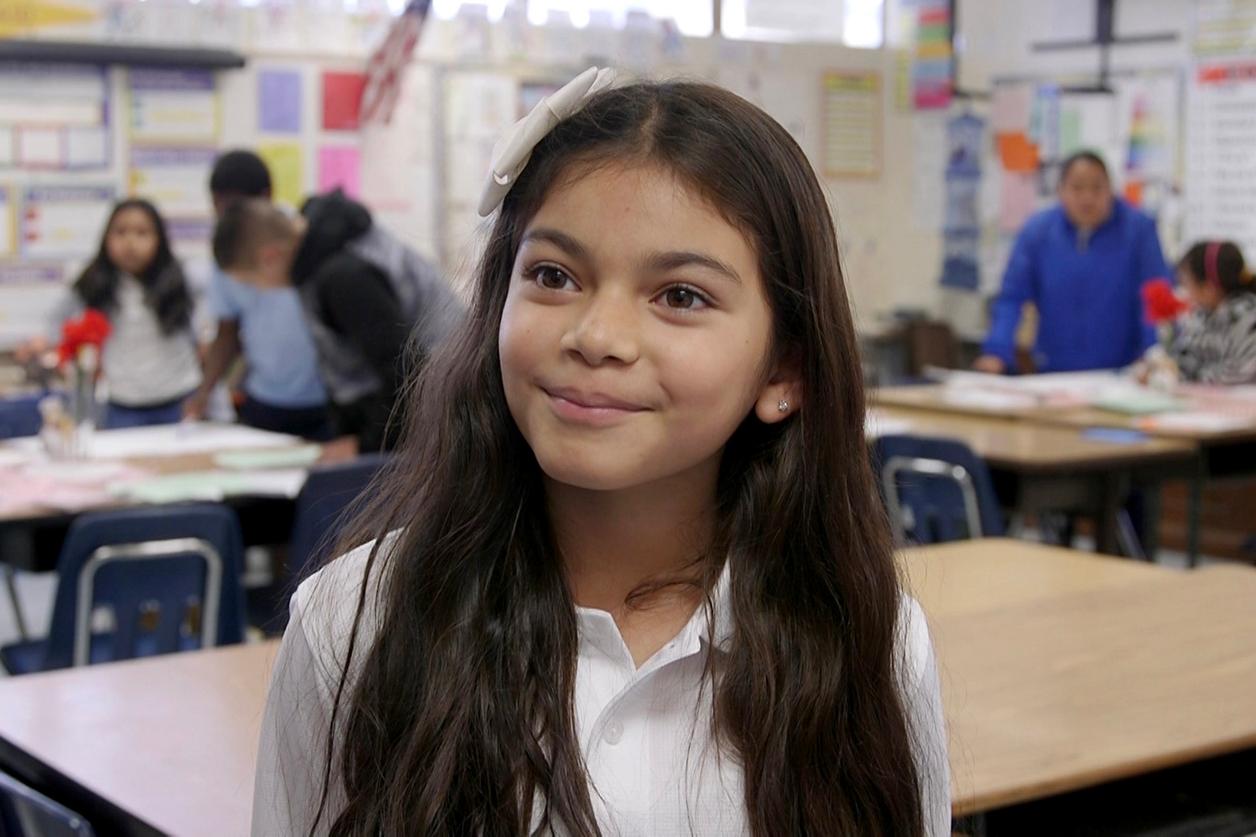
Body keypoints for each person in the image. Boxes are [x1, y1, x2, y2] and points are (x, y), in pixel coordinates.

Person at [252, 72, 949, 835]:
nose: (596, 336)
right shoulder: (352, 622)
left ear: (785, 369)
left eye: (680, 295)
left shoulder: (871, 641)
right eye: (553, 275)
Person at [212, 189, 457, 455]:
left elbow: (404, 369)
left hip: (439, 412)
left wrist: (364, 444)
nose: (258, 290)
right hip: (409, 415)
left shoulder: (342, 276)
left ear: (270, 258)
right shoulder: (316, 253)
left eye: (250, 282)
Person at [975, 151, 1171, 374]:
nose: (1087, 198)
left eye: (1097, 188)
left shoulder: (1138, 230)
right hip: (1054, 371)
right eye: (1077, 188)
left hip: (1123, 372)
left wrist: (1155, 354)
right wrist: (997, 352)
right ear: (1061, 191)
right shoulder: (1038, 232)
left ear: (1110, 190)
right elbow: (1011, 297)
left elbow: (1156, 296)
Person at [183, 150, 332, 440]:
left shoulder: (304, 238)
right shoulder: (225, 255)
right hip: (264, 400)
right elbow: (227, 332)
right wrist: (204, 393)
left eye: (236, 208)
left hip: (326, 399)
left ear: (267, 197)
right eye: (219, 208)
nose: (228, 220)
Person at [44, 199, 201, 428]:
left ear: (160, 239)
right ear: (106, 238)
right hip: (122, 403)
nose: (130, 243)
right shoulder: (93, 284)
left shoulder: (180, 280)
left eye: (142, 233)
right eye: (120, 232)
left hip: (179, 399)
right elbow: (56, 321)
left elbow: (207, 327)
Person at [1167, 241, 1256, 384]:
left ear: (1209, 289)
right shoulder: (1202, 316)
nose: (1184, 290)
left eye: (1186, 282)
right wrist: (1163, 368)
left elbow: (1240, 374)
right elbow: (1183, 358)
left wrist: (1186, 377)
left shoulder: (1248, 319)